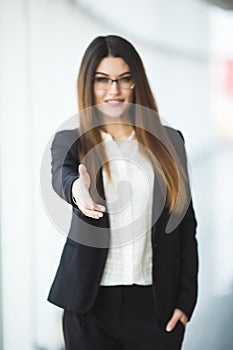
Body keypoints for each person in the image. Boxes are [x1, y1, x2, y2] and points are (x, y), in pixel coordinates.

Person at [47, 35, 198, 350]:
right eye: (102, 80)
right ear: (87, 85)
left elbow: (185, 225)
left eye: (123, 79)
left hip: (156, 306)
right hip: (90, 307)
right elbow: (63, 174)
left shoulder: (168, 141)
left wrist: (185, 301)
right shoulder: (72, 140)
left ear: (136, 83)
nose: (113, 90)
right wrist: (77, 189)